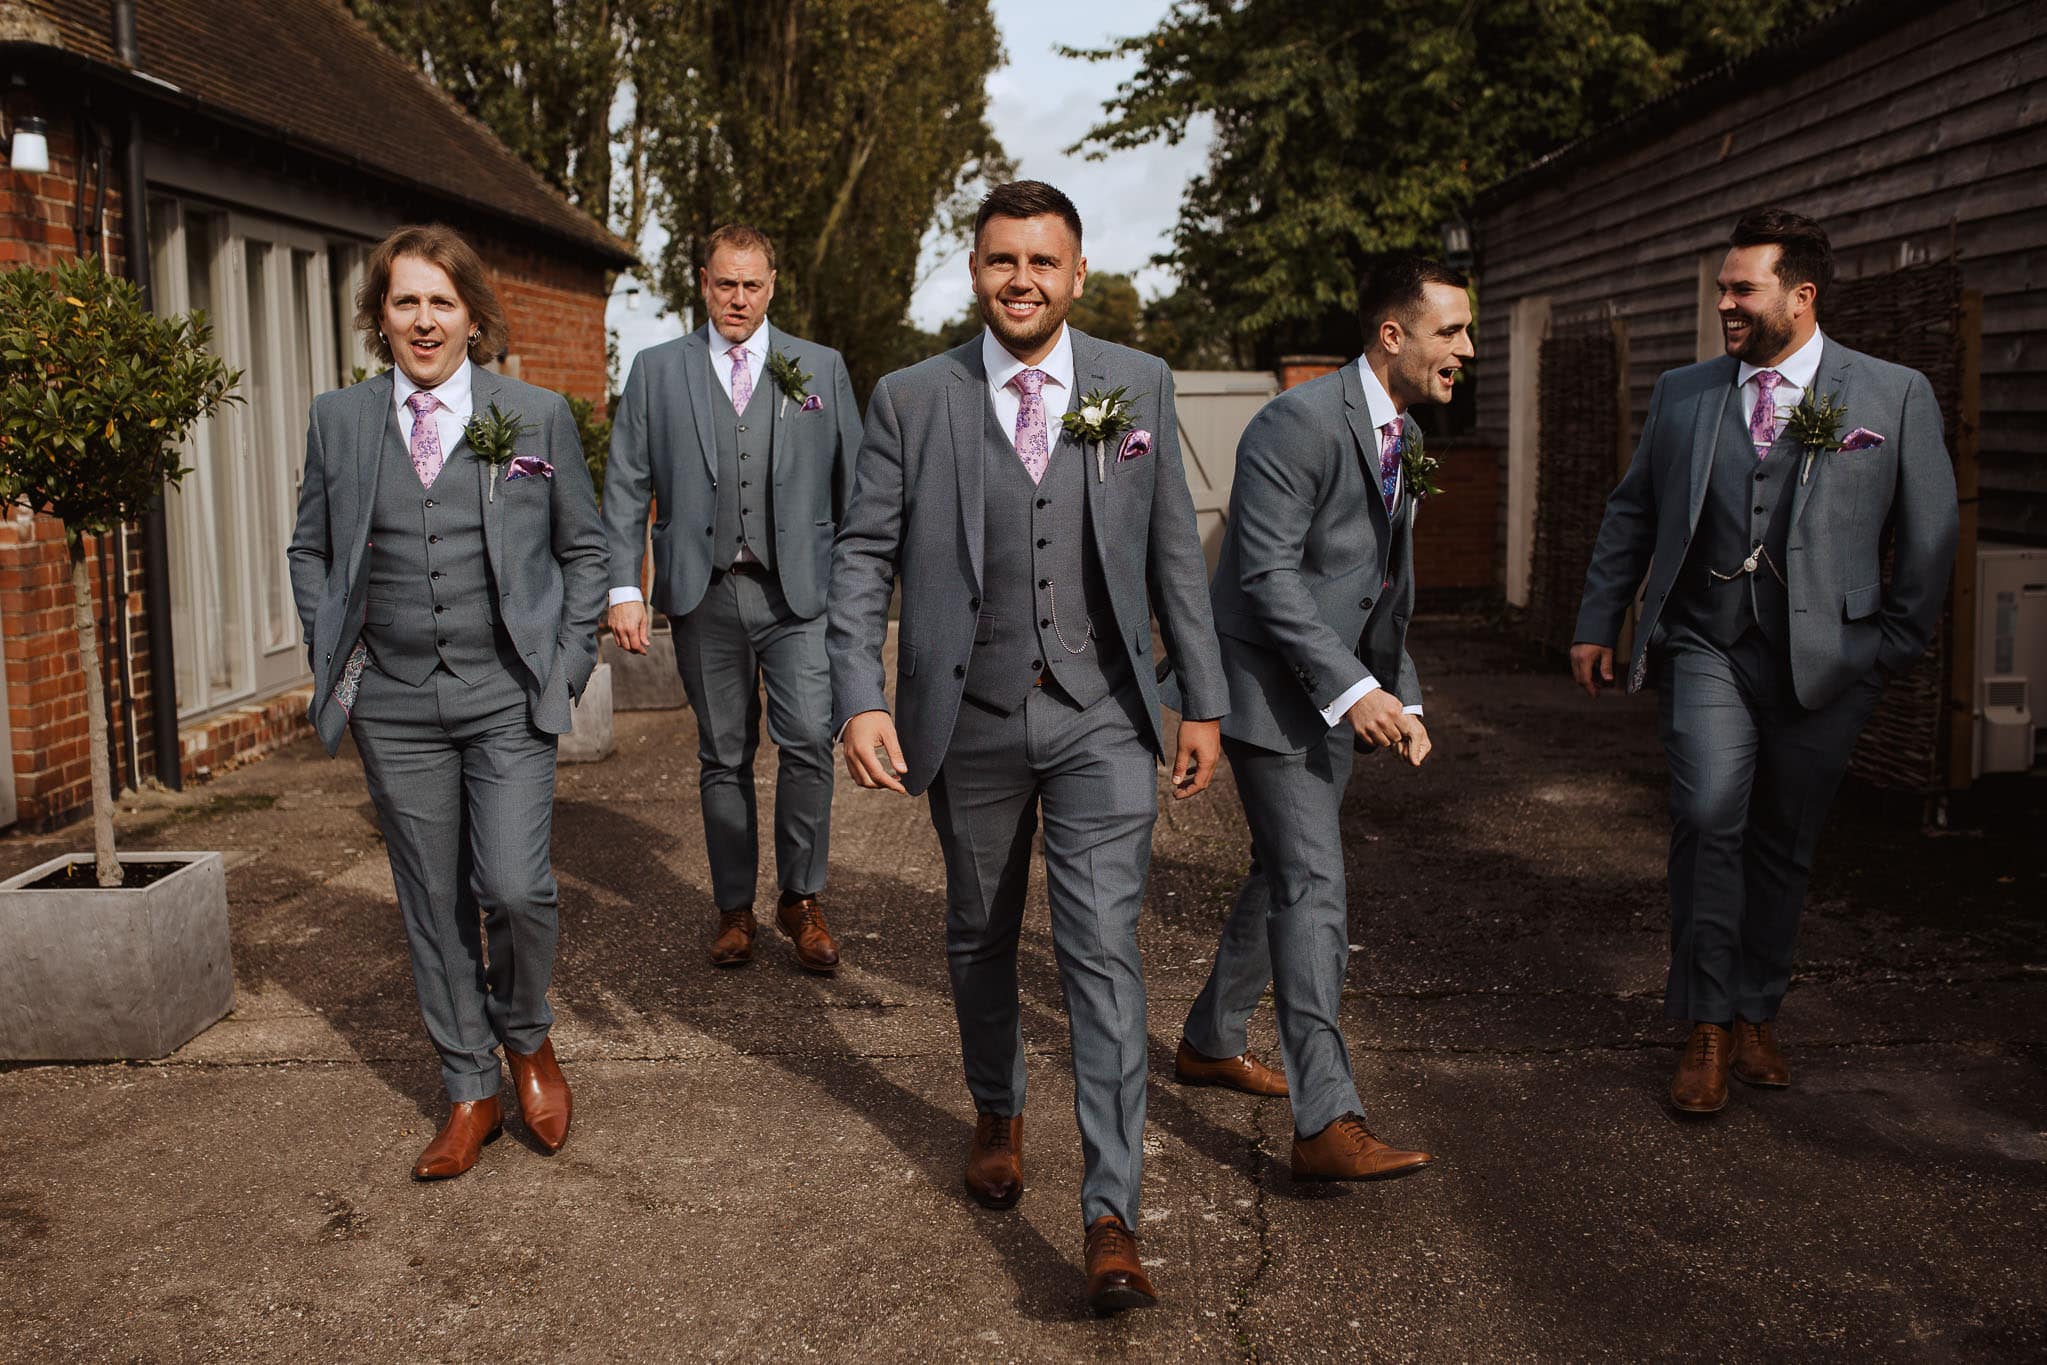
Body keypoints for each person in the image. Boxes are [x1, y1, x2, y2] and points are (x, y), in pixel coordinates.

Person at [827, 180, 1227, 1313]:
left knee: (1102, 952)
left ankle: (1111, 1214)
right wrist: (858, 695)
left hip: (1104, 712)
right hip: (971, 716)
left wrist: (1199, 700)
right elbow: (861, 557)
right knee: (978, 932)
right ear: (974, 271)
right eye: (1002, 261)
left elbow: (1171, 557)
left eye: (1042, 263)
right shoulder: (913, 397)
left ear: (1076, 274)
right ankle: (996, 1110)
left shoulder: (1136, 383)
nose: (1022, 281)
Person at [1571, 208, 1957, 1114]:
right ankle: (1705, 1022)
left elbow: (1930, 533)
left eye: (1741, 288)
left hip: (1829, 658)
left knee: (1784, 841)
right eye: (1721, 288)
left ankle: (1756, 1010)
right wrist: (1599, 618)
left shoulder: (1893, 395)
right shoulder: (1684, 391)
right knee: (1708, 817)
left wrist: (1891, 645)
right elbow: (1632, 510)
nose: (1724, 304)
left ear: (1801, 294)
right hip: (1707, 642)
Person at [288, 224, 608, 1178]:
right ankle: (470, 1087)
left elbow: (584, 549)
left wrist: (570, 660)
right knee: (430, 898)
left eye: (441, 302)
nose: (423, 320)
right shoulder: (338, 420)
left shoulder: (537, 413)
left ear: (473, 316)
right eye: (404, 302)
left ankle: (525, 1032)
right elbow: (311, 547)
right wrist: (328, 642)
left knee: (514, 885)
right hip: (390, 697)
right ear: (378, 318)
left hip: (506, 689)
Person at [1178, 253, 1467, 1182]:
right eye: (1450, 331)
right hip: (1266, 690)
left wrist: (1401, 689)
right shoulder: (1293, 425)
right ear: (1392, 335)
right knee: (1312, 883)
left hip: (1332, 689)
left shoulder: (1404, 438)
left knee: (1277, 873)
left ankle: (1210, 1040)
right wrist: (1355, 691)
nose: (1466, 348)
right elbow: (1263, 578)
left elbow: (1379, 585)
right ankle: (1325, 1119)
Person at [605, 225, 863, 972]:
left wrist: (854, 585)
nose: (738, 298)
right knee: (722, 754)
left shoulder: (820, 367)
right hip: (702, 590)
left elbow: (858, 485)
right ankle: (733, 908)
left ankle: (801, 897)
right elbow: (625, 481)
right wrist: (625, 587)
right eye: (725, 284)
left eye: (752, 285)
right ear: (703, 283)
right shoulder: (657, 370)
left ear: (772, 285)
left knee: (810, 739)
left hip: (799, 593)